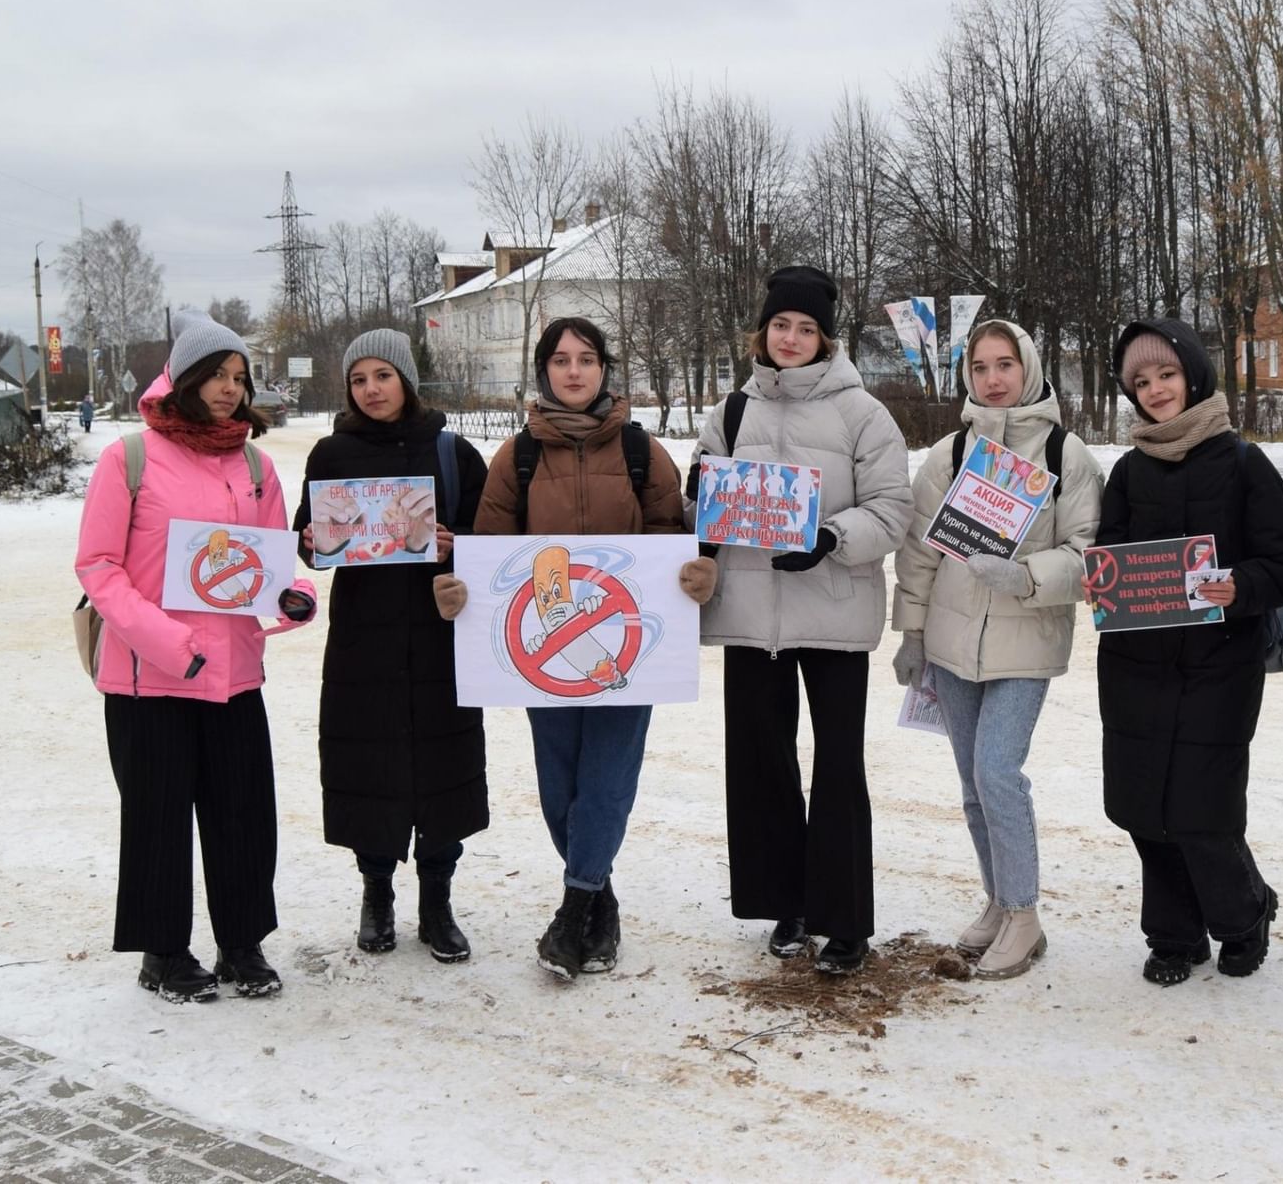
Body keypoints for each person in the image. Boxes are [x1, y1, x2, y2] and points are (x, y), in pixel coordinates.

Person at [72, 313, 317, 1003]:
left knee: (243, 814)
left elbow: (272, 565)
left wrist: (295, 597)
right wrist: (167, 643)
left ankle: (242, 947)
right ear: (184, 379)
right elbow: (97, 565)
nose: (229, 390)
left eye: (239, 378)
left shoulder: (256, 465)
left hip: (234, 674)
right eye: (216, 375)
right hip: (148, 678)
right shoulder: (131, 459)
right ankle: (164, 953)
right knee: (157, 815)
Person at [691, 266, 912, 976]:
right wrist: (699, 492)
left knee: (838, 768)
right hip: (751, 618)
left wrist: (831, 537)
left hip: (835, 615)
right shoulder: (729, 414)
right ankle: (785, 903)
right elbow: (701, 510)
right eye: (781, 325)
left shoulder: (862, 414)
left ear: (825, 338)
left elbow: (892, 510)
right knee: (763, 765)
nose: (791, 338)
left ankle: (844, 919)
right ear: (763, 331)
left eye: (806, 328)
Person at [471, 317, 704, 982]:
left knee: (604, 786)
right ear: (544, 370)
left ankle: (573, 913)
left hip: (626, 654)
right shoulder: (515, 458)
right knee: (558, 791)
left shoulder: (642, 452)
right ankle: (599, 899)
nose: (574, 371)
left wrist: (690, 573)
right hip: (541, 655)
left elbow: (668, 539)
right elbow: (488, 555)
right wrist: (462, 595)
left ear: (605, 369)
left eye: (588, 359)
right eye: (561, 360)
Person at [1090, 319, 1283, 988]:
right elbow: (1107, 562)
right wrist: (1106, 585)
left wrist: (1238, 585)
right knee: (1144, 808)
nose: (1155, 390)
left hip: (1220, 666)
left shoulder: (1245, 463)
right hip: (1136, 667)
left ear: (1194, 375)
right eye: (1141, 381)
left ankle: (1245, 916)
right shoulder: (1127, 470)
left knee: (1203, 808)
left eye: (1166, 374)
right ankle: (1174, 936)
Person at [891, 319, 1102, 978]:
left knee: (998, 774)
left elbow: (1088, 554)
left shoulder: (1068, 457)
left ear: (1028, 368)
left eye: (1004, 364)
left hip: (1027, 645)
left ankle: (1024, 914)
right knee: (973, 786)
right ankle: (996, 903)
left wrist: (1028, 576)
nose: (993, 378)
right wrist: (913, 632)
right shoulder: (949, 455)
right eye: (980, 367)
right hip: (953, 647)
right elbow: (920, 552)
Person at [292, 329, 490, 965]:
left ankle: (438, 897)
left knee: (443, 766)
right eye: (358, 379)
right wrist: (312, 542)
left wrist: (458, 544)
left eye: (383, 375)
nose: (372, 389)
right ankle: (376, 889)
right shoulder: (331, 453)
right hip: (363, 638)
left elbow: (495, 542)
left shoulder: (453, 452)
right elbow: (310, 543)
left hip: (440, 634)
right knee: (366, 763)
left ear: (405, 378)